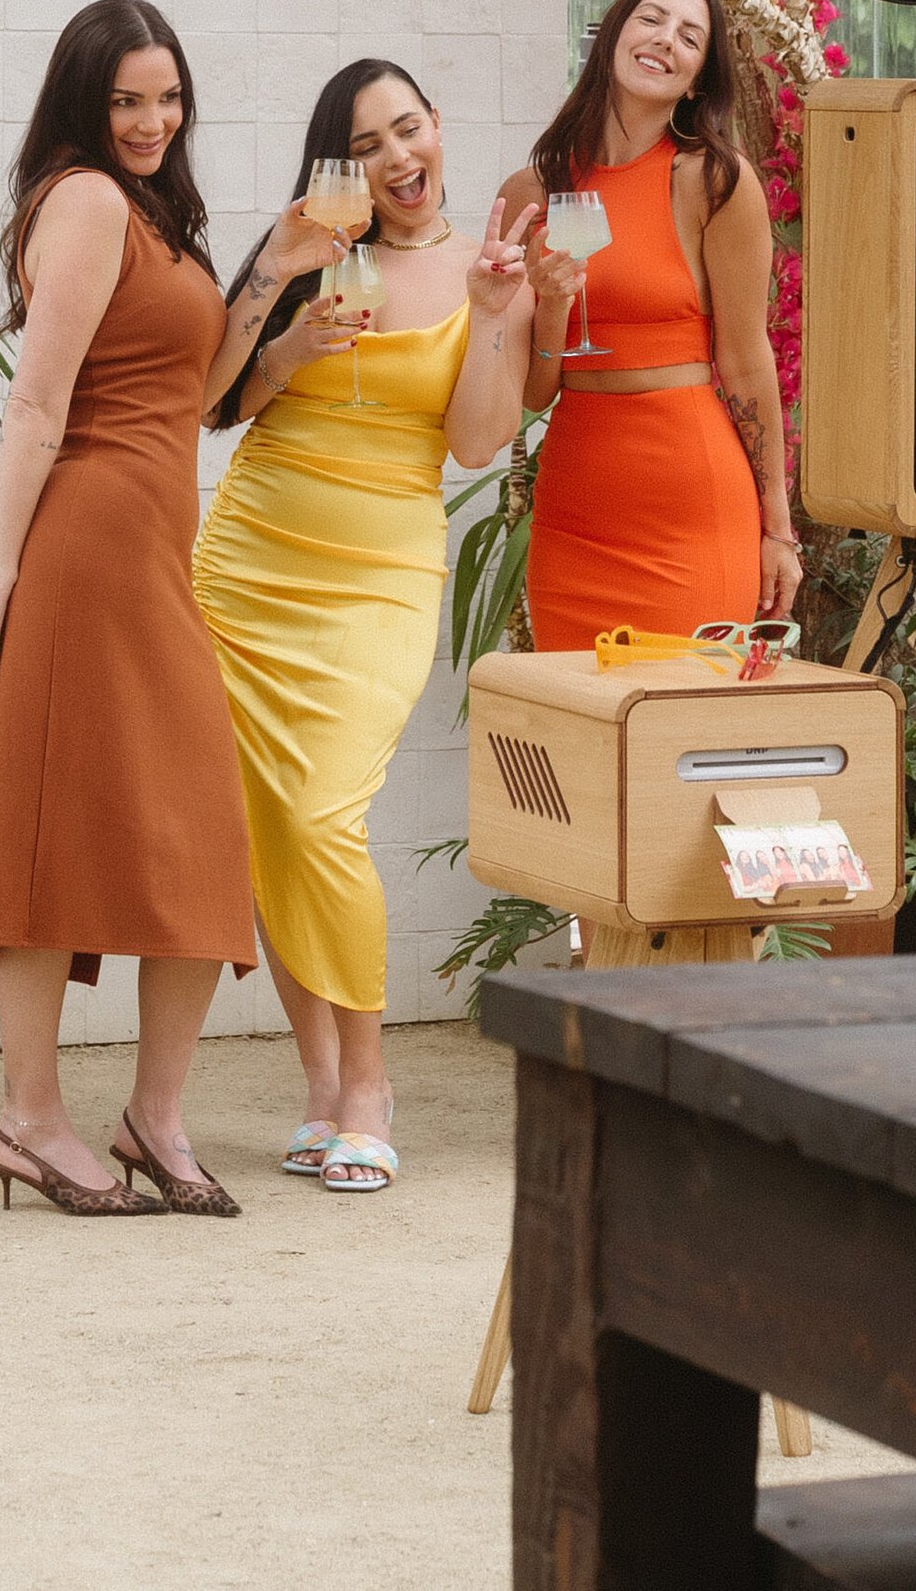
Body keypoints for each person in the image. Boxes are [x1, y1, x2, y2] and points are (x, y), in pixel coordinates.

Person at [0, 0, 290, 1221]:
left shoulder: (156, 217)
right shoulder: (88, 200)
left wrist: (277, 279)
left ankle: (152, 1117)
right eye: (126, 100)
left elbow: (187, 399)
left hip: (148, 541)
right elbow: (39, 407)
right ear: (85, 106)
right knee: (59, 832)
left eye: (167, 97)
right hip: (91, 544)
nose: (151, 120)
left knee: (192, 829)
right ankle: (32, 1120)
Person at [193, 61, 536, 1196]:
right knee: (266, 828)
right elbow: (211, 403)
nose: (394, 158)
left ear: (437, 130)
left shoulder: (491, 271)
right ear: (339, 166)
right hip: (250, 563)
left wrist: (492, 316)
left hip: (381, 569)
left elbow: (479, 443)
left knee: (318, 811)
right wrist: (285, 334)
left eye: (406, 130)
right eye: (364, 144)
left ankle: (370, 1082)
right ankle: (320, 1085)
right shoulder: (308, 244)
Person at [503, 0, 802, 651]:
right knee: (578, 733)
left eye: (690, 37)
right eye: (652, 19)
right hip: (575, 511)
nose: (666, 40)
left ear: (697, 79)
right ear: (613, 35)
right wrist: (550, 306)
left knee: (678, 734)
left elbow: (749, 363)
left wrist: (776, 529)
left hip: (690, 508)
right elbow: (535, 389)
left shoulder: (716, 181)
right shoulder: (533, 188)